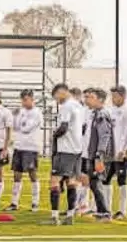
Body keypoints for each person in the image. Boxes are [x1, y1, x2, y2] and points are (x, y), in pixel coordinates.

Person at [47, 83, 84, 226]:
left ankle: (54, 217)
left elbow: (63, 127)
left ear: (62, 92)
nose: (56, 100)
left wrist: (53, 136)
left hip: (65, 149)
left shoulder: (66, 106)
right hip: (77, 149)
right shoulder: (79, 105)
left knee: (54, 181)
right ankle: (69, 216)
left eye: (56, 96)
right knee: (71, 182)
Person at [5, 89, 43, 212]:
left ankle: (35, 203)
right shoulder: (20, 112)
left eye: (26, 99)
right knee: (16, 175)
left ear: (32, 99)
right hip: (19, 146)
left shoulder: (37, 113)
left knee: (32, 174)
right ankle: (14, 203)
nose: (23, 102)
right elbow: (15, 127)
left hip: (31, 147)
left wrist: (20, 125)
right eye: (22, 100)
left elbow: (26, 128)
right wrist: (15, 116)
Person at [83, 88, 114, 222]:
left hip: (98, 155)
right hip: (92, 154)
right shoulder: (94, 114)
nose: (87, 100)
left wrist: (99, 156)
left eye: (90, 97)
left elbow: (104, 136)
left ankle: (105, 213)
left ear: (100, 100)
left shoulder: (102, 115)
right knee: (94, 183)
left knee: (96, 182)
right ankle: (102, 211)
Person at [104, 85, 127, 220]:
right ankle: (107, 209)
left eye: (115, 96)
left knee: (122, 181)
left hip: (121, 153)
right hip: (109, 152)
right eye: (112, 96)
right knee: (106, 180)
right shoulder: (110, 111)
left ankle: (122, 211)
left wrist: (124, 150)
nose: (113, 99)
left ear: (123, 96)